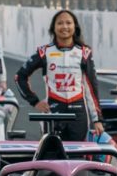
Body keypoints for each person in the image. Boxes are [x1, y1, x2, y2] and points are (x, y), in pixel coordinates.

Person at [14, 9, 101, 137]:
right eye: (60, 23)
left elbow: (92, 88)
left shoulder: (84, 52)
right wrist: (35, 101)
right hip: (53, 110)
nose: (64, 27)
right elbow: (19, 77)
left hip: (79, 112)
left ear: (74, 26)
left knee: (77, 155)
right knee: (51, 154)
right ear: (53, 28)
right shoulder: (44, 52)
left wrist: (97, 119)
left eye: (68, 23)